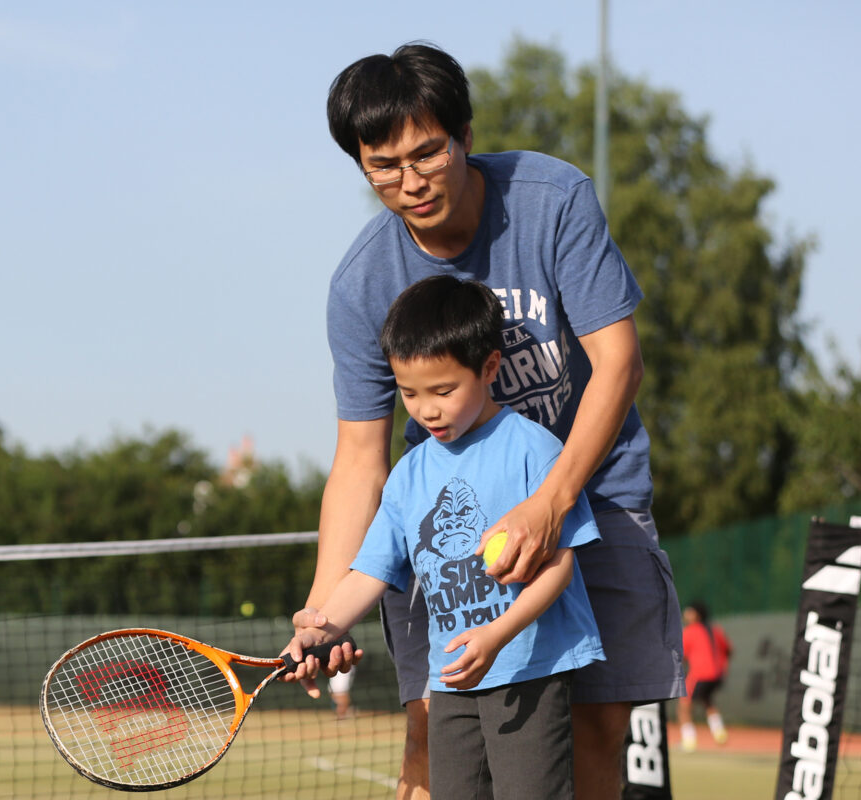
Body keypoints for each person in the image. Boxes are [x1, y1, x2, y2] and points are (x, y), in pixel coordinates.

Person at [290, 42, 685, 800]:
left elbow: (620, 364)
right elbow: (360, 461)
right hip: (448, 532)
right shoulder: (361, 283)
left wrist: (550, 502)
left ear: (464, 135)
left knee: (599, 729)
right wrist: (322, 611)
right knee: (431, 735)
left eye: (427, 153)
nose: (410, 182)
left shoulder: (553, 199)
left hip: (591, 496)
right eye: (382, 166)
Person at [287, 275, 605, 798]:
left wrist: (496, 635)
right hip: (451, 681)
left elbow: (560, 568)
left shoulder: (534, 449)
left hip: (528, 670)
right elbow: (368, 571)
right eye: (408, 393)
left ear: (489, 368)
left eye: (443, 390)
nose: (425, 409)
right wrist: (322, 627)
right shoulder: (408, 475)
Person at [678, 600, 733, 752]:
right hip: (718, 675)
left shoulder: (690, 631)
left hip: (700, 675)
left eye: (689, 611)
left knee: (684, 706)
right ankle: (719, 732)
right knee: (707, 700)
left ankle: (688, 741)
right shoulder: (716, 630)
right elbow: (729, 649)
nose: (686, 614)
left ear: (697, 614)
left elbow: (680, 656)